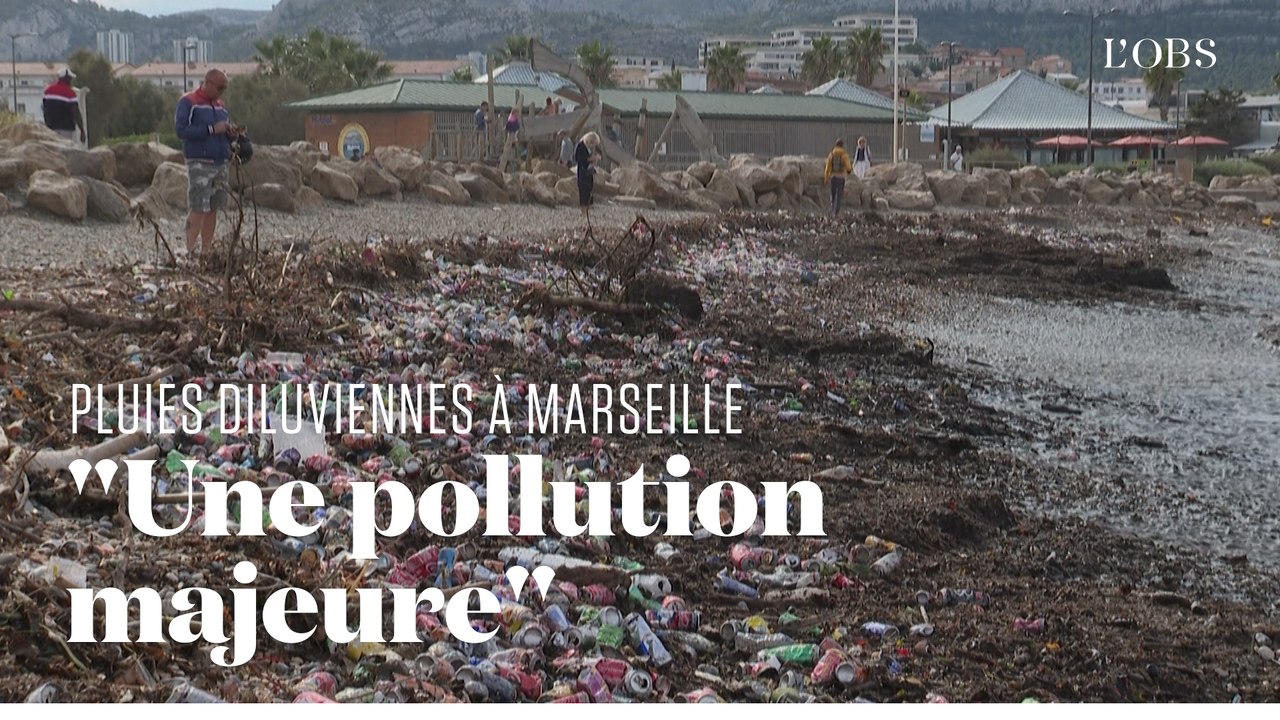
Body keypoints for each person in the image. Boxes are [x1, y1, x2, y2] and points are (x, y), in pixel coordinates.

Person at [175, 69, 239, 258]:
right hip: (199, 162)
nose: (222, 92)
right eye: (220, 87)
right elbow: (181, 130)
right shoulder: (188, 102)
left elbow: (222, 129)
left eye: (225, 88)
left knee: (213, 207)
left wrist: (231, 133)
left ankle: (206, 250)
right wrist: (211, 129)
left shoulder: (220, 106)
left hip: (220, 161)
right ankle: (189, 250)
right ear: (208, 83)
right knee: (198, 206)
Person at [42, 67, 85, 145]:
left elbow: (44, 109)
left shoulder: (48, 91)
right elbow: (76, 113)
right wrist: (82, 130)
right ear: (66, 78)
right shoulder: (70, 93)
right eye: (70, 78)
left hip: (50, 129)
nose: (71, 81)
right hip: (66, 129)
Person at [575, 132, 601, 221]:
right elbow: (578, 159)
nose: (592, 145)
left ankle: (587, 211)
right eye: (592, 143)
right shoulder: (580, 146)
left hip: (587, 172)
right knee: (583, 191)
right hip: (582, 172)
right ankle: (583, 211)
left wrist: (593, 159)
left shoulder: (586, 147)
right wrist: (591, 159)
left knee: (588, 190)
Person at [823, 138, 853, 215]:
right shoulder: (844, 155)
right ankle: (837, 211)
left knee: (833, 194)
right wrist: (848, 171)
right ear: (842, 145)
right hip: (841, 177)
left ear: (835, 145)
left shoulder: (831, 155)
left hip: (833, 177)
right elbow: (848, 167)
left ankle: (832, 207)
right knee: (839, 195)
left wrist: (826, 178)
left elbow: (828, 167)